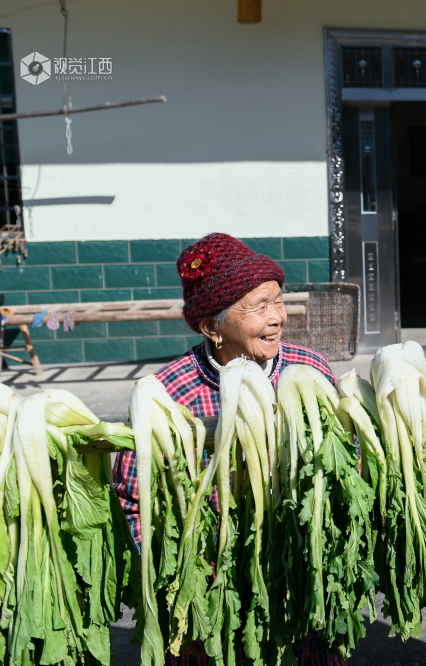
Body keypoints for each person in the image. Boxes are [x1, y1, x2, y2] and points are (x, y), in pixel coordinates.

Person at [113, 233, 344, 666]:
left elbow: (345, 469)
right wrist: (182, 588)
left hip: (301, 581)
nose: (277, 318)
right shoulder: (168, 393)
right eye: (259, 306)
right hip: (213, 592)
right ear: (211, 327)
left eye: (279, 300)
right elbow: (132, 499)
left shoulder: (309, 371)